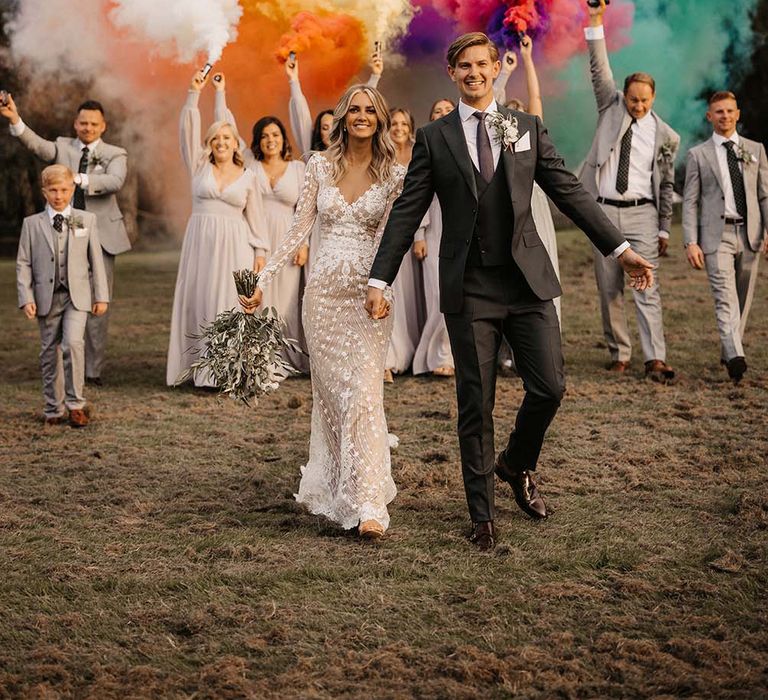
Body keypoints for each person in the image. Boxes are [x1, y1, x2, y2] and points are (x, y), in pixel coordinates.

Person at [366, 32, 654, 551]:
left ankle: (516, 464)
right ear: (452, 73)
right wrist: (378, 278)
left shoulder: (526, 127)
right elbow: (408, 211)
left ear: (498, 68)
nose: (474, 73)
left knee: (550, 386)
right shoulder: (436, 137)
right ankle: (482, 516)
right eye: (464, 66)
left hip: (527, 283)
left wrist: (620, 248)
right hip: (469, 288)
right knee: (475, 403)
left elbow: (568, 191)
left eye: (483, 64)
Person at [239, 85, 406, 539]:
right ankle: (342, 487)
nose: (362, 116)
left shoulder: (394, 174)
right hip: (323, 300)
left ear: (381, 117)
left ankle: (370, 502)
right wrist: (263, 279)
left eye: (371, 109)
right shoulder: (318, 165)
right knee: (333, 398)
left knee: (364, 395)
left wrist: (381, 286)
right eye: (354, 109)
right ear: (341, 117)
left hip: (369, 299)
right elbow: (297, 231)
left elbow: (390, 241)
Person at [581, 0, 680, 382]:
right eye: (633, 99)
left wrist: (664, 228)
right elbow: (598, 67)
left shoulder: (667, 135)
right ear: (623, 96)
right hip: (603, 210)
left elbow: (668, 182)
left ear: (654, 98)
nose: (638, 105)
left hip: (643, 213)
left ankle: (655, 356)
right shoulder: (611, 107)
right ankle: (619, 351)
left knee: (646, 285)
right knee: (608, 288)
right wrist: (595, 19)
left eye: (645, 100)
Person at [2, 95, 130, 386]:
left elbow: (115, 182)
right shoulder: (62, 146)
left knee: (98, 300)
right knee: (60, 296)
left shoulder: (115, 153)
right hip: (61, 234)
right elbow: (36, 144)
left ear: (103, 126)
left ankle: (92, 371)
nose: (87, 127)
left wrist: (80, 179)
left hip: (100, 237)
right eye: (83, 122)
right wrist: (14, 119)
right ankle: (61, 363)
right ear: (75, 123)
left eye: (93, 124)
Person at [166, 71, 268, 388]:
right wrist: (194, 93)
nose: (221, 142)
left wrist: (261, 253)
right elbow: (187, 130)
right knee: (200, 298)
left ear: (235, 143)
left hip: (236, 244)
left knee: (227, 302)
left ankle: (228, 373)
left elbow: (257, 219)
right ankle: (199, 369)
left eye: (227, 138)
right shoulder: (199, 166)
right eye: (216, 138)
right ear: (209, 144)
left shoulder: (248, 176)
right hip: (201, 241)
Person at [213, 77, 308, 372]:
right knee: (257, 299)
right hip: (255, 240)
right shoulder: (249, 165)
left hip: (289, 240)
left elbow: (305, 209)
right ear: (258, 140)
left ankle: (286, 358)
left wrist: (303, 243)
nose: (271, 140)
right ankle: (260, 361)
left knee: (288, 302)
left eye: (276, 135)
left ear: (283, 139)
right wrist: (220, 92)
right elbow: (224, 126)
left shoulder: (298, 168)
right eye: (265, 136)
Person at [682, 91, 768, 384]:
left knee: (743, 299)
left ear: (738, 113)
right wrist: (690, 241)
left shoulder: (755, 149)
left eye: (730, 111)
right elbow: (691, 201)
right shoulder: (698, 154)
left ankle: (729, 347)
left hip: (751, 233)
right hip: (715, 236)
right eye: (718, 111)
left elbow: (764, 194)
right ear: (710, 116)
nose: (725, 116)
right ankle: (735, 357)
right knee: (725, 297)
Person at [16, 165, 109, 427]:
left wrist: (101, 296)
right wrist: (26, 297)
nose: (59, 195)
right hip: (46, 298)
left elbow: (95, 261)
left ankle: (76, 404)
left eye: (65, 190)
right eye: (53, 190)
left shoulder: (83, 219)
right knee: (49, 352)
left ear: (72, 189)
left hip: (77, 297)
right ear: (44, 191)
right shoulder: (32, 224)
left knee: (73, 344)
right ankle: (52, 407)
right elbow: (23, 263)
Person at [494, 36, 561, 323]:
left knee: (537, 264)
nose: (517, 114)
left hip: (534, 202)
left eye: (521, 111)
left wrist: (528, 59)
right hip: (504, 203)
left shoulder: (531, 130)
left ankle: (541, 323)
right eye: (512, 110)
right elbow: (493, 100)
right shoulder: (496, 131)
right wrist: (506, 71)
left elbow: (536, 98)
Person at [412, 100, 457, 378]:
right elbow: (420, 195)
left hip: (462, 231)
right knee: (440, 297)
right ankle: (434, 355)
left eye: (447, 110)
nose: (442, 114)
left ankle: (451, 356)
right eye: (436, 111)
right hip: (434, 230)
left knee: (459, 296)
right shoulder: (427, 146)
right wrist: (419, 234)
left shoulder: (470, 146)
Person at [384, 107, 426, 382]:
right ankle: (388, 356)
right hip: (386, 227)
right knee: (389, 290)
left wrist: (420, 234)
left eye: (403, 123)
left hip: (414, 228)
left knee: (411, 294)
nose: (398, 128)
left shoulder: (419, 154)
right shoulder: (381, 156)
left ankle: (411, 353)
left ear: (411, 128)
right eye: (393, 123)